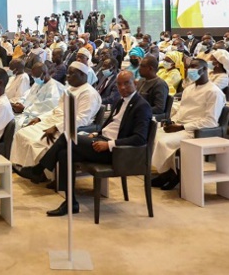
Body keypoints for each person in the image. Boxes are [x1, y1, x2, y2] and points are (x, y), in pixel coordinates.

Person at [18, 71, 151, 216]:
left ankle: (38, 169)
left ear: (135, 84)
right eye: (119, 84)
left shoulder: (141, 106)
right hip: (102, 140)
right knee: (64, 154)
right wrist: (96, 134)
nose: (122, 87)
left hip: (117, 152)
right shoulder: (121, 101)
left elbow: (140, 138)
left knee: (65, 137)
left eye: (127, 83)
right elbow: (112, 126)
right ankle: (70, 203)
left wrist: (110, 144)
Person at [151, 59, 225, 190]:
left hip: (197, 130)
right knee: (153, 135)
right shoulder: (189, 89)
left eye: (194, 66)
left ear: (204, 70)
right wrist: (172, 122)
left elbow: (211, 121)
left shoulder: (214, 92)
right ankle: (167, 172)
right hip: (181, 126)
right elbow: (182, 111)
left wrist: (181, 127)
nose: (190, 69)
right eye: (189, 66)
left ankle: (173, 174)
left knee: (164, 142)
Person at [11, 62, 101, 168]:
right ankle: (25, 166)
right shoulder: (70, 89)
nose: (67, 77)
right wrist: (39, 118)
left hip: (67, 126)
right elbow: (57, 109)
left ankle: (39, 170)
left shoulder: (89, 93)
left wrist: (56, 128)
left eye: (71, 74)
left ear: (82, 75)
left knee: (36, 141)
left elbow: (82, 119)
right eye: (67, 73)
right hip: (54, 120)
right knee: (22, 133)